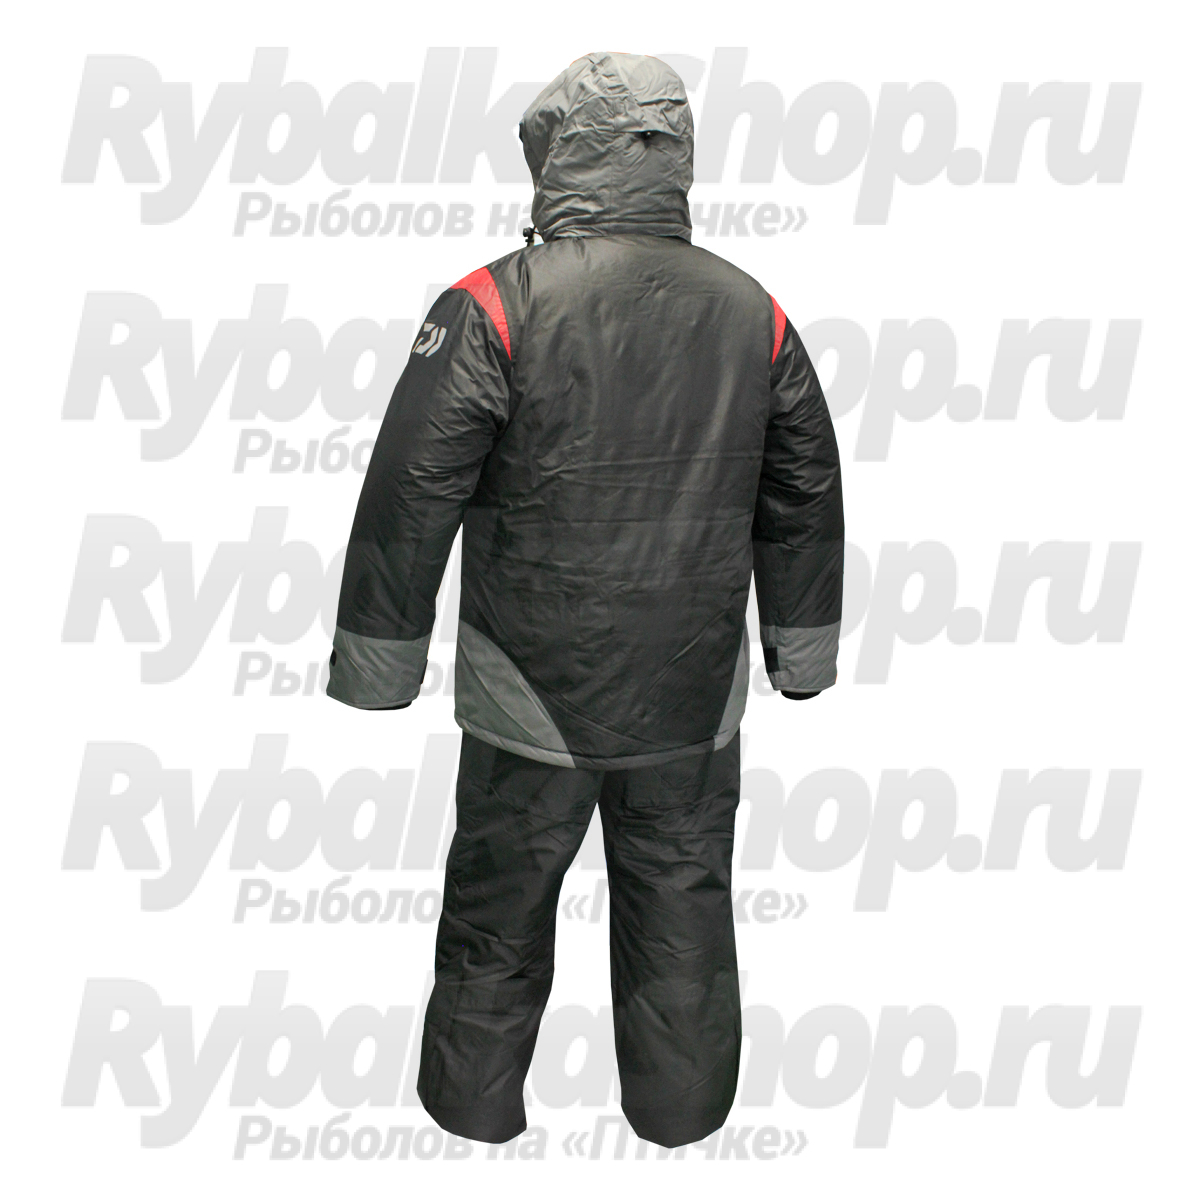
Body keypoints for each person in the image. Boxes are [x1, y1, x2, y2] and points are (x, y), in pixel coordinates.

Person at [326, 50, 844, 1148]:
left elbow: (411, 489)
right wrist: (800, 655)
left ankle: (469, 1118)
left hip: (531, 689)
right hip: (691, 697)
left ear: (558, 153)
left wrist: (379, 664)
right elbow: (804, 491)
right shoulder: (753, 312)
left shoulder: (495, 302)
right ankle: (683, 1120)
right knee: (683, 919)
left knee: (497, 914)